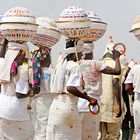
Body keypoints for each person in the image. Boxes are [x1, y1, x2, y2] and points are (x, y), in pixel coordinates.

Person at [46, 39, 97, 140]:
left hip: (55, 107)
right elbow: (71, 88)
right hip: (68, 107)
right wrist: (88, 98)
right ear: (75, 53)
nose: (82, 54)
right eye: (80, 52)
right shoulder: (74, 66)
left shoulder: (58, 65)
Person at [78, 42, 121, 140]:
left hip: (80, 103)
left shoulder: (78, 64)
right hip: (92, 104)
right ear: (91, 52)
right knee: (91, 135)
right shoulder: (96, 63)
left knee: (82, 135)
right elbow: (117, 71)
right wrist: (117, 57)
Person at [0, 42, 34, 140]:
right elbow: (20, 94)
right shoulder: (22, 69)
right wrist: (31, 92)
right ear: (20, 54)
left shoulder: (3, 65)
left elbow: (1, 56)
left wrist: (6, 41)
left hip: (2, 109)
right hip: (17, 111)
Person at [99, 37, 127, 140]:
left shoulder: (99, 65)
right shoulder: (116, 65)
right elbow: (115, 83)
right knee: (113, 135)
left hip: (100, 105)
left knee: (101, 135)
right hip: (112, 105)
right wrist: (119, 105)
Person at [124, 62, 140, 140]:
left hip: (137, 102)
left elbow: (127, 88)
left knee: (138, 133)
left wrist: (135, 89)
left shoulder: (135, 68)